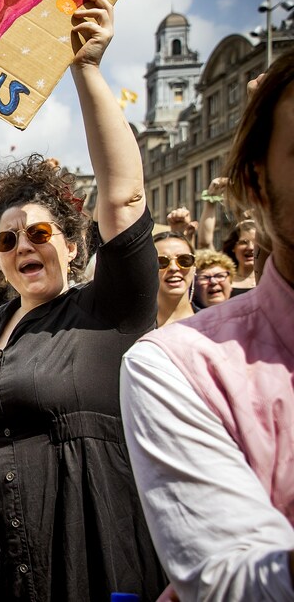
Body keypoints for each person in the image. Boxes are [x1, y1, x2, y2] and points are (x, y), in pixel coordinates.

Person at [0, 0, 167, 599]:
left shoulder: (106, 311)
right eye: (5, 239)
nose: (22, 244)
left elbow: (125, 197)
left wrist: (85, 69)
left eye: (40, 232)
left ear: (74, 245)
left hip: (89, 550)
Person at [120, 52, 294, 601]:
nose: (174, 270)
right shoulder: (170, 364)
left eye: (184, 261)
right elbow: (232, 578)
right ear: (257, 183)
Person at [154, 232, 197, 327]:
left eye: (184, 260)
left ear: (194, 267)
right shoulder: (131, 330)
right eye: (161, 262)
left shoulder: (214, 324)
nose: (174, 268)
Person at [222, 220, 259, 297]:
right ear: (233, 247)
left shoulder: (272, 281)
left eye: (256, 242)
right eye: (244, 242)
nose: (250, 247)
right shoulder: (223, 281)